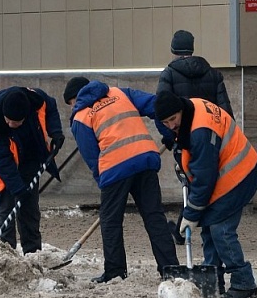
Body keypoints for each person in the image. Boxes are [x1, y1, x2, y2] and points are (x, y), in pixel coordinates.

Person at [154, 91, 257, 298]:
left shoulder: (200, 133)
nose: (170, 125)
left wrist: (191, 213)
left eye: (173, 120)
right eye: (165, 122)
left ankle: (245, 284)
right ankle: (213, 281)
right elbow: (194, 153)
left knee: (220, 230)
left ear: (180, 110)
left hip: (237, 177)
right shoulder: (191, 106)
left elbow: (205, 178)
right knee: (209, 228)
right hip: (228, 173)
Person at [63, 77, 179, 283]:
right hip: (145, 159)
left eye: (71, 103)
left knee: (110, 221)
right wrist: (169, 134)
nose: (72, 108)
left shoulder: (80, 117)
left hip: (115, 168)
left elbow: (92, 157)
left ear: (76, 98)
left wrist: (104, 182)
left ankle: (115, 272)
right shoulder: (119, 93)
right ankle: (170, 270)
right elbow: (155, 105)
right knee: (154, 217)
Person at [157, 30, 234, 244]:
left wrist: (170, 137)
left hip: (184, 139)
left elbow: (162, 111)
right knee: (206, 181)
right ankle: (196, 228)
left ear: (173, 49)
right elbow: (225, 112)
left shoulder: (169, 74)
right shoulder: (213, 74)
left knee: (194, 182)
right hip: (211, 136)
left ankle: (185, 228)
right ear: (192, 48)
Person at [0, 86, 65, 255]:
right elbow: (3, 162)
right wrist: (18, 188)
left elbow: (50, 106)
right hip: (2, 170)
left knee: (30, 209)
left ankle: (33, 253)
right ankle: (6, 255)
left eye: (16, 122)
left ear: (26, 116)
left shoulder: (36, 100)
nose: (11, 125)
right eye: (8, 121)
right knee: (6, 208)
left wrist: (55, 132)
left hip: (30, 160)